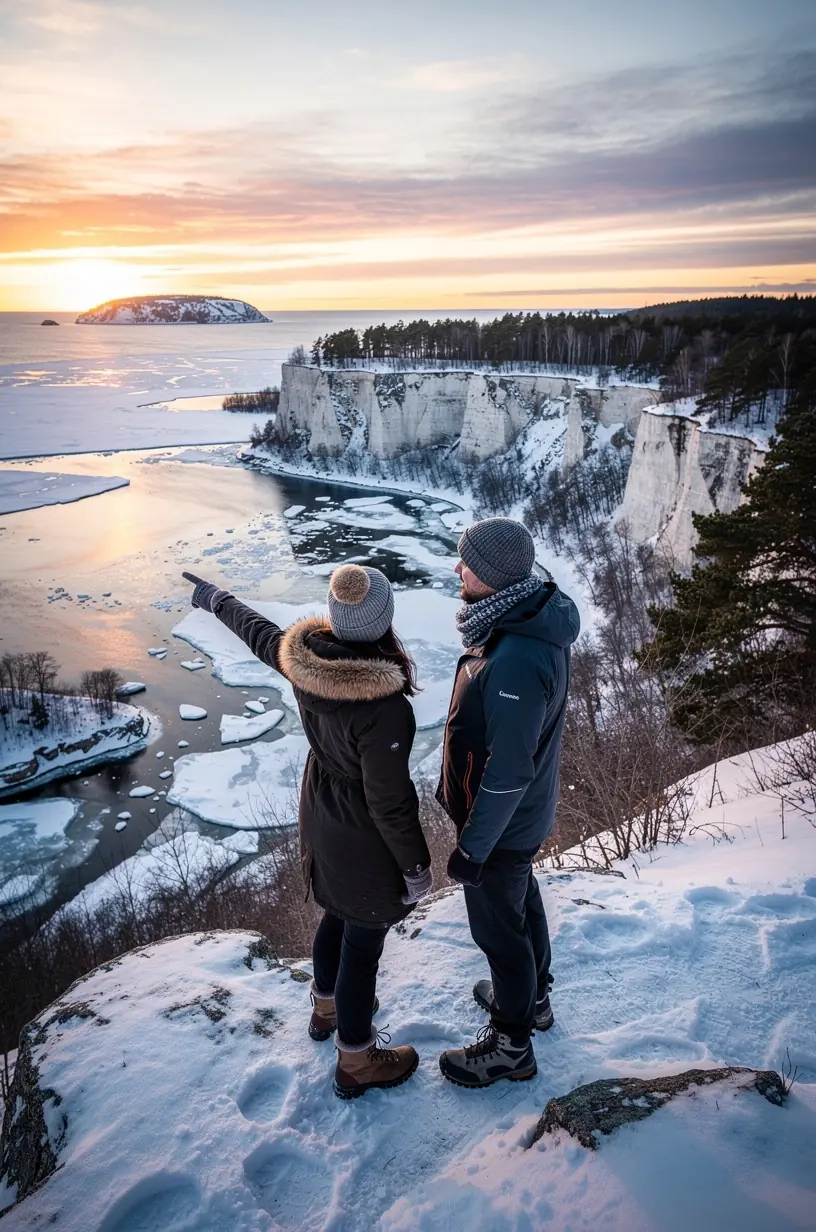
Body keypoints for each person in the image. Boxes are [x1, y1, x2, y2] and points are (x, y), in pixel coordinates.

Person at [182, 563, 432, 1100]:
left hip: (320, 814)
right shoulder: (384, 709)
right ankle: (358, 1060)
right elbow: (390, 804)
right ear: (384, 622)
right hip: (362, 833)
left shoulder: (307, 663)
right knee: (362, 945)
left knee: (336, 916)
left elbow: (262, 635)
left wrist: (218, 598)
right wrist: (415, 868)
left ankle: (326, 1009)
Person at [434, 517, 579, 1088]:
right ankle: (534, 1000)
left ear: (491, 576)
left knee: (499, 931)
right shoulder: (523, 619)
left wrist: (472, 848)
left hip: (501, 825)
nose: (456, 569)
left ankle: (512, 1045)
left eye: (465, 562)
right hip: (519, 819)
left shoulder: (516, 653)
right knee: (522, 904)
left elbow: (509, 769)